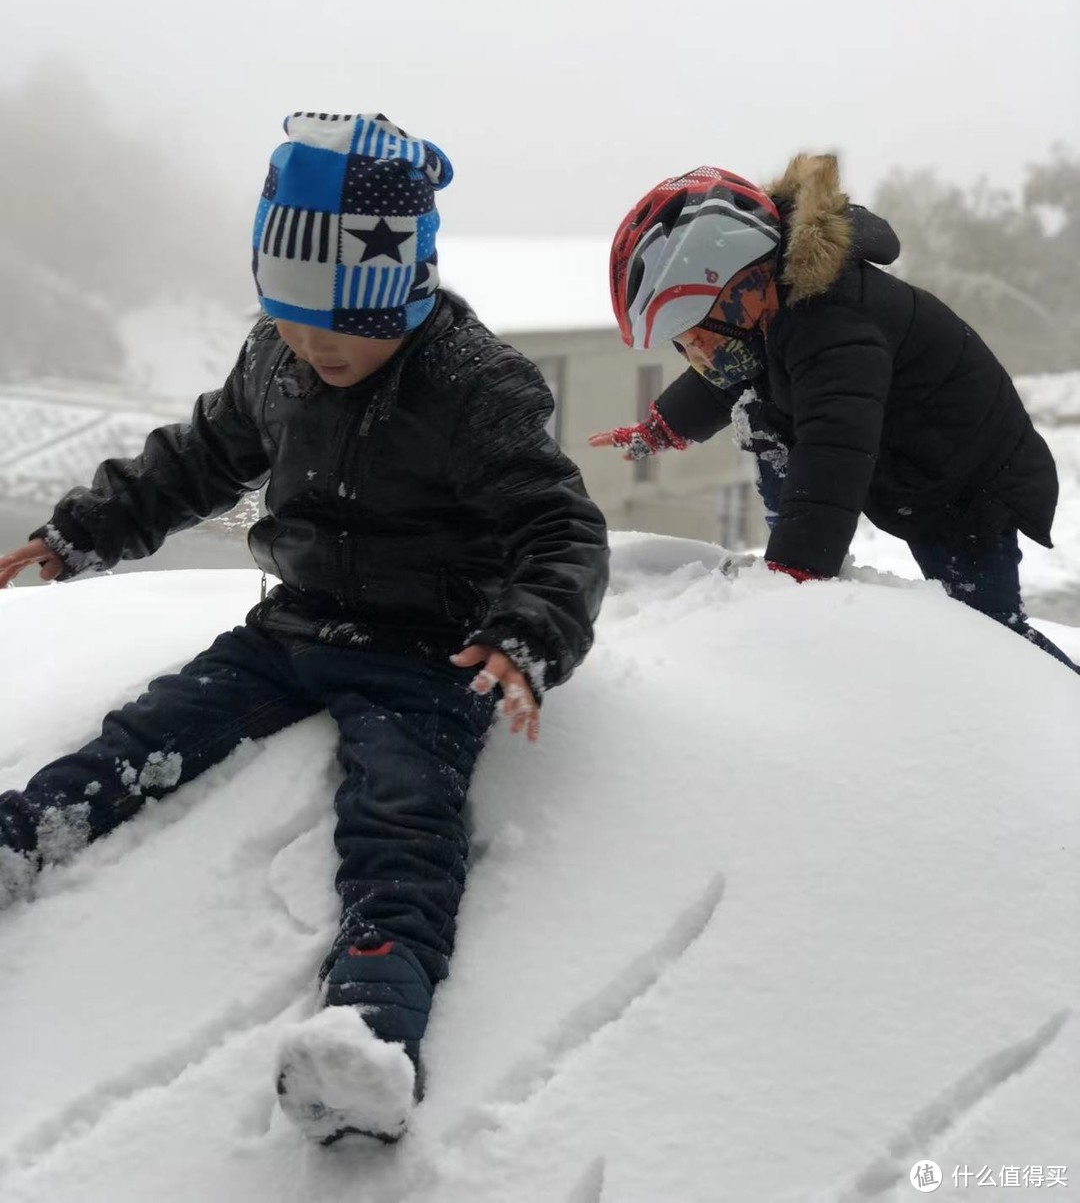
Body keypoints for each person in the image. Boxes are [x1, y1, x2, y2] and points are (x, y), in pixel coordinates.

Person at [0, 111, 610, 1144]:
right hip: (295, 621)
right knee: (153, 727)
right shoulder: (277, 361)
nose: (313, 342)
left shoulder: (475, 385)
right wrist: (82, 531)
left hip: (431, 647)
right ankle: (26, 832)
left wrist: (527, 632)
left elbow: (557, 524)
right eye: (289, 316)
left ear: (405, 288)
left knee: (404, 816)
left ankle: (370, 1022)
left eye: (340, 322)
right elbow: (196, 458)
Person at [590, 152, 1077, 672]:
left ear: (740, 285)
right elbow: (735, 374)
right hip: (915, 468)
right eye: (683, 347)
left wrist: (796, 570)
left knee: (989, 637)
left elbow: (834, 450)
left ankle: (1053, 709)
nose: (698, 355)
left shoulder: (837, 324)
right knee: (760, 412)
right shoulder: (770, 309)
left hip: (973, 481)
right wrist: (663, 427)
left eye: (698, 334)